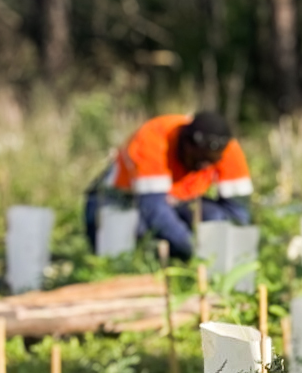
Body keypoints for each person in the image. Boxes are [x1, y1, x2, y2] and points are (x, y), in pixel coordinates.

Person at [84, 111, 254, 262]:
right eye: (199, 158)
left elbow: (238, 214)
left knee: (215, 217)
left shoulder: (228, 149)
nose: (204, 166)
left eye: (211, 161)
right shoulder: (154, 138)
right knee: (118, 254)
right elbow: (154, 210)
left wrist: (230, 257)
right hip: (122, 199)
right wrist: (197, 250)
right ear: (186, 144)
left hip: (177, 202)